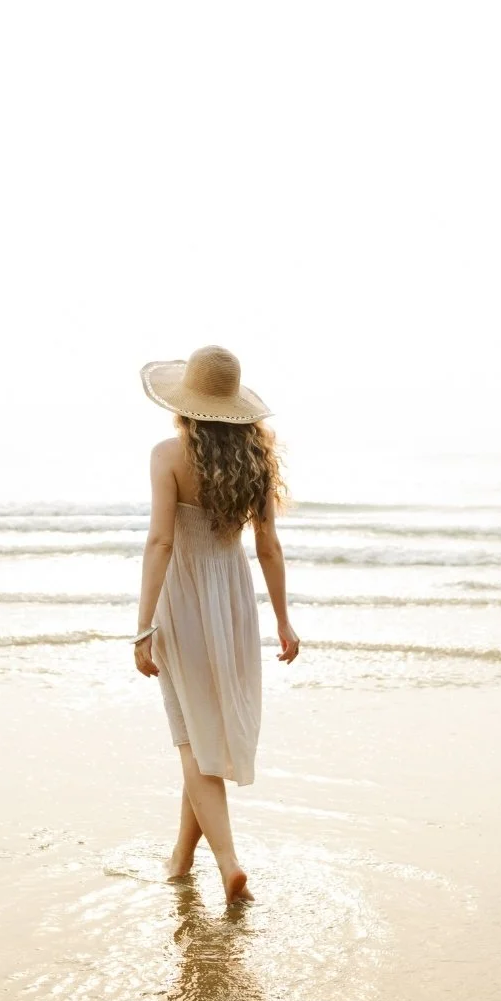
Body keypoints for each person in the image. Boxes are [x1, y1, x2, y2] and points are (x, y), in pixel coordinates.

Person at [133, 345, 299, 905]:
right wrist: (283, 621)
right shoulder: (257, 457)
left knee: (189, 738)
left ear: (187, 403)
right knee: (208, 734)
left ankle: (228, 863)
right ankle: (181, 861)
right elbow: (269, 547)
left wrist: (142, 626)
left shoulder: (167, 455)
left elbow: (160, 541)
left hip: (181, 599)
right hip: (233, 600)